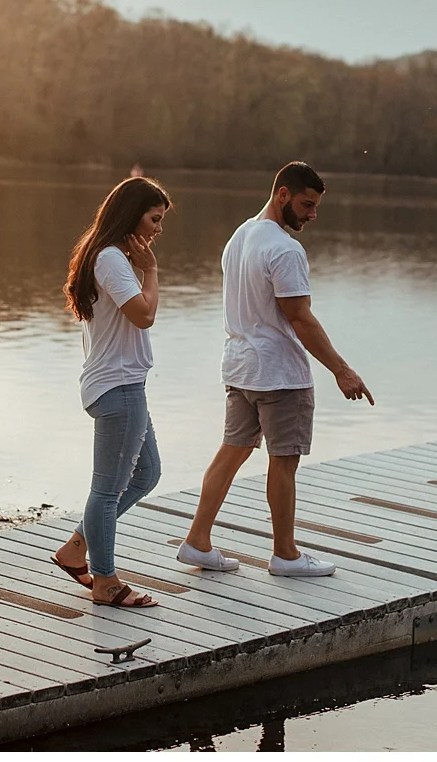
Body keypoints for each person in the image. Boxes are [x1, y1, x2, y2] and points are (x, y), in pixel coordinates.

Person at [176, 161, 373, 578]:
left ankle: (197, 541)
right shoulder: (284, 249)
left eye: (316, 206)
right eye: (306, 204)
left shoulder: (240, 236)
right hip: (280, 375)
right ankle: (285, 555)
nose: (312, 215)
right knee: (283, 462)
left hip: (240, 368)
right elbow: (300, 318)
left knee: (231, 452)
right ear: (282, 194)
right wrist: (342, 370)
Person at [50, 176, 170, 607]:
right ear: (131, 214)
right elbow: (143, 316)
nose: (158, 229)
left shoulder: (106, 256)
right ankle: (106, 582)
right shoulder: (112, 260)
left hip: (123, 385)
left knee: (146, 474)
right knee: (107, 490)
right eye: (154, 219)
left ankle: (77, 548)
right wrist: (152, 272)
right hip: (118, 389)